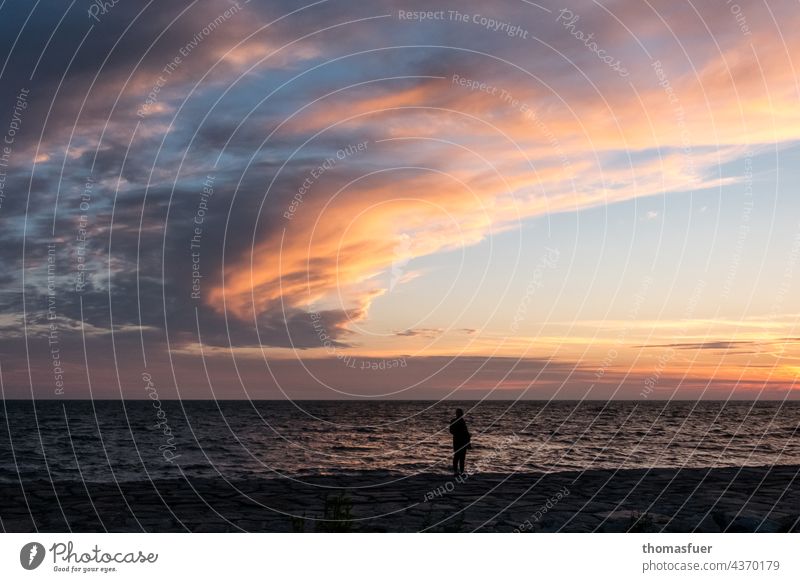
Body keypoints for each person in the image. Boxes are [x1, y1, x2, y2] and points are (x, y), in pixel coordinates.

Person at [449, 408, 471, 476]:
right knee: (457, 456)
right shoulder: (455, 421)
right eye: (459, 413)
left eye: (460, 413)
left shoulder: (462, 421)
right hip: (458, 440)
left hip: (462, 441)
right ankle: (456, 471)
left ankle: (461, 471)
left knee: (461, 457)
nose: (460, 414)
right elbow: (451, 431)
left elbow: (465, 432)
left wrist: (468, 437)